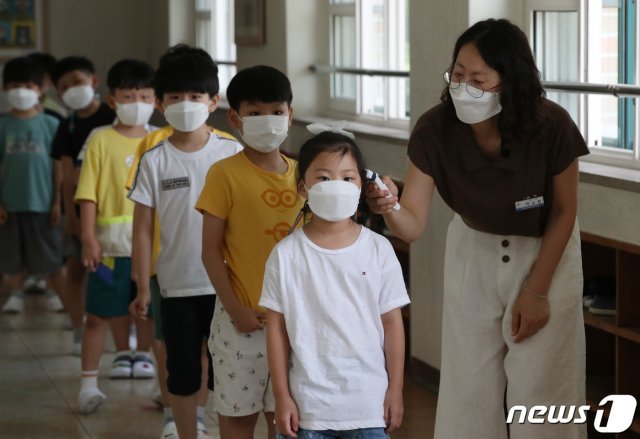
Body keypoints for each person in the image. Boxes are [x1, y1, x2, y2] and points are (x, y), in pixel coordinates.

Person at [367, 19, 588, 439]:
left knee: (546, 393)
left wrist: (537, 291)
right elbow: (411, 224)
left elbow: (564, 212)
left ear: (511, 82)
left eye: (478, 79)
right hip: (473, 251)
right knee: (468, 389)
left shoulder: (551, 125)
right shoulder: (435, 129)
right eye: (457, 75)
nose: (462, 88)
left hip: (546, 254)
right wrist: (389, 207)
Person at [260, 130, 410, 439]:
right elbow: (275, 328)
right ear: (303, 187)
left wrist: (395, 388)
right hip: (309, 409)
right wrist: (281, 396)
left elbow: (392, 323)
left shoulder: (379, 249)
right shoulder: (286, 254)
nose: (337, 187)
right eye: (324, 178)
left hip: (368, 404)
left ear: (361, 186)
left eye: (347, 178)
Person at [128, 45, 243, 439]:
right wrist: (143, 284)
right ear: (160, 103)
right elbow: (142, 228)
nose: (185, 104)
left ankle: (212, 426)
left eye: (195, 97)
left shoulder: (232, 152)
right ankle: (185, 432)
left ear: (213, 101)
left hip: (227, 284)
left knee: (223, 364)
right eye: (175, 97)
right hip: (175, 283)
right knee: (181, 370)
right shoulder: (155, 159)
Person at [197, 65, 303, 439]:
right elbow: (210, 251)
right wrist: (237, 309)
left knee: (286, 420)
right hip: (241, 323)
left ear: (290, 113)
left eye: (276, 111)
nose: (268, 121)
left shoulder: (305, 176)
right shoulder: (224, 174)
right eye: (255, 113)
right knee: (238, 419)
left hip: (295, 324)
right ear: (235, 118)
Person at [73, 58, 159, 414]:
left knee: (151, 316)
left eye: (143, 95)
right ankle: (88, 385)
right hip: (108, 248)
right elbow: (88, 191)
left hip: (151, 249)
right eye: (128, 95)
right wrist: (88, 237)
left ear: (156, 100)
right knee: (97, 314)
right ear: (112, 100)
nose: (136, 102)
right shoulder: (100, 139)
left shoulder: (160, 139)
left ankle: (160, 380)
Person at [51, 56, 117, 354]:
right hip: (80, 208)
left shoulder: (112, 115)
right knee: (76, 271)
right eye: (64, 87)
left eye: (76, 82)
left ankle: (120, 338)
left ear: (94, 80)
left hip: (114, 209)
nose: (72, 90)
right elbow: (66, 175)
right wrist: (71, 217)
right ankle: (79, 328)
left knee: (111, 274)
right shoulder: (66, 127)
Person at [0, 56, 65, 313]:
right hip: (10, 203)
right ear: (5, 88)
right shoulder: (3, 125)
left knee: (48, 254)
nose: (21, 91)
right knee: (12, 255)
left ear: (40, 89)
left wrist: (57, 201)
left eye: (28, 85)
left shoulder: (51, 124)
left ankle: (54, 293)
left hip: (43, 202)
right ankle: (15, 293)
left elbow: (58, 166)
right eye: (15, 85)